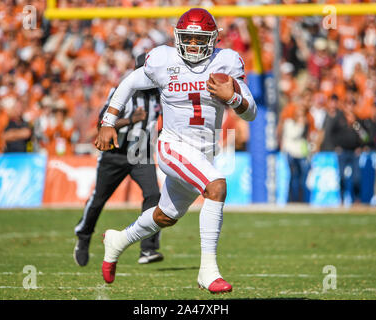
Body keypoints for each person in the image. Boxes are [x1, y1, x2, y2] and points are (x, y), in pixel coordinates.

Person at [95, 8, 257, 294]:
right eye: (188, 39)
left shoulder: (226, 61)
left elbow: (251, 112)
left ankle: (118, 240)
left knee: (165, 216)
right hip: (172, 145)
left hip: (203, 153)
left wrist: (232, 97)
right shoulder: (163, 59)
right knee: (216, 186)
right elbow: (130, 82)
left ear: (212, 39)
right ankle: (208, 271)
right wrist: (108, 121)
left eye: (199, 39)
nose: (193, 45)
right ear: (178, 38)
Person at [74, 54, 164, 266]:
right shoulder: (123, 90)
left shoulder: (159, 94)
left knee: (154, 195)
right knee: (99, 199)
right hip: (115, 152)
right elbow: (102, 124)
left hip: (140, 151)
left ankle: (148, 249)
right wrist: (131, 120)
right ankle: (84, 236)